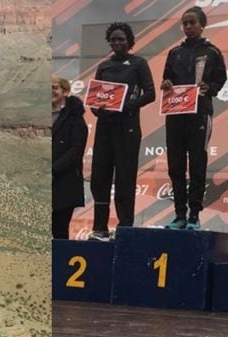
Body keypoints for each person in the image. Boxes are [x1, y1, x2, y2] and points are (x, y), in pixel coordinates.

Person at [161, 6, 226, 230]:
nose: (188, 27)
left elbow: (220, 79)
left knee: (197, 165)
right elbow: (166, 80)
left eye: (192, 23)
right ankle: (179, 214)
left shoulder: (212, 52)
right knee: (175, 166)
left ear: (202, 25)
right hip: (176, 114)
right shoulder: (174, 53)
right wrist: (167, 84)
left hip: (200, 113)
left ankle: (194, 216)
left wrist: (211, 87)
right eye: (185, 23)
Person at [89, 22, 155, 241]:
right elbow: (96, 98)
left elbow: (150, 94)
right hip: (105, 128)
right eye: (114, 39)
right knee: (100, 177)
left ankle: (125, 228)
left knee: (125, 178)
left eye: (121, 39)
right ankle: (100, 228)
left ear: (129, 42)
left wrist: (126, 105)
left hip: (127, 127)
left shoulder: (139, 63)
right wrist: (96, 108)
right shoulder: (104, 66)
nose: (117, 43)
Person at [52, 75, 87, 239]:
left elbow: (76, 150)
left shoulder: (76, 118)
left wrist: (53, 169)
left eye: (54, 88)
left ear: (65, 92)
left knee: (59, 229)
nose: (50, 92)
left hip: (64, 182)